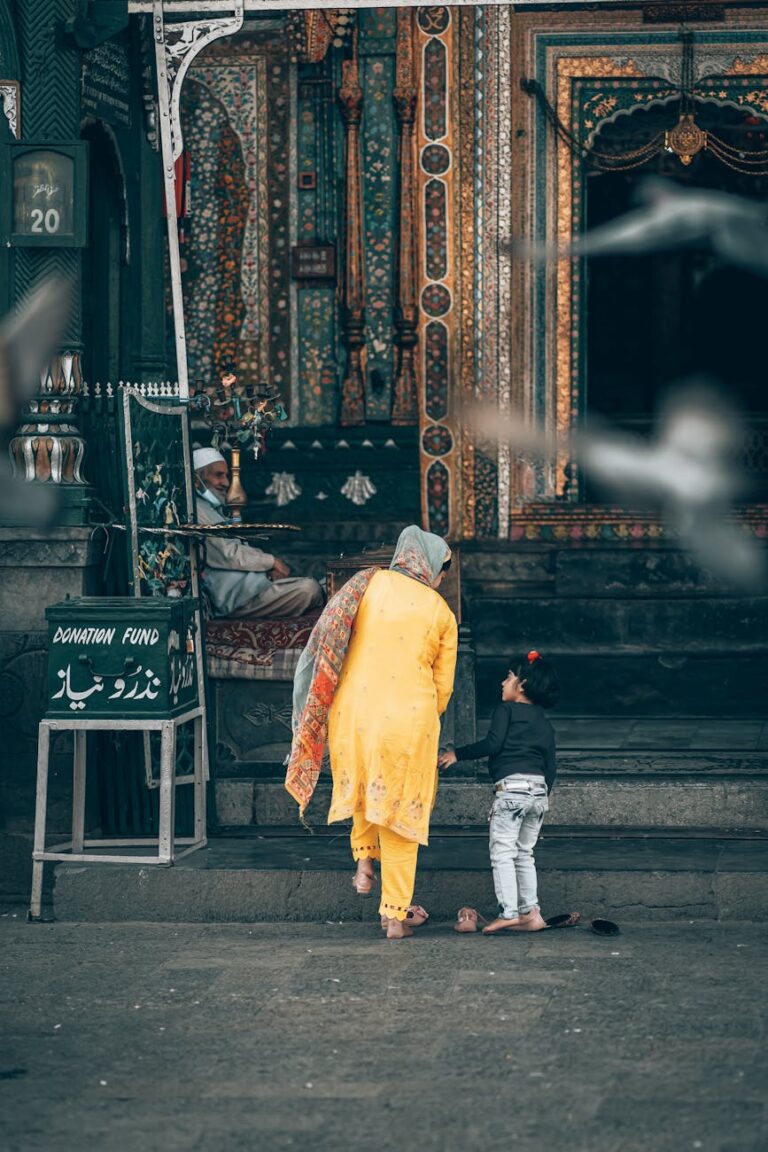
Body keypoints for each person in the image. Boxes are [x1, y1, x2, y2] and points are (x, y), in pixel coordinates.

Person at [285, 525, 458, 939]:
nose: (440, 580)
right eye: (442, 572)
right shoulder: (440, 612)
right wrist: (422, 719)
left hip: (354, 715)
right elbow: (444, 687)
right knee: (401, 813)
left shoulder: (367, 584)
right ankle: (394, 915)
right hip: (407, 720)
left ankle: (364, 862)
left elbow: (333, 638)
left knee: (365, 789)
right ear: (432, 567)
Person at [438, 650, 559, 934]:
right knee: (525, 853)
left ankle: (508, 912)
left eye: (508, 677)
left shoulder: (506, 710)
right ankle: (532, 913)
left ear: (523, 685)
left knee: (502, 852)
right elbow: (550, 766)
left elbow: (493, 744)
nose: (502, 683)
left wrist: (457, 754)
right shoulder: (545, 722)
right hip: (538, 794)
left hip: (512, 792)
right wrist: (541, 797)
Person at [192, 447, 323, 619]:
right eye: (218, 475)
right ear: (196, 481)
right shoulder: (197, 511)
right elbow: (227, 554)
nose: (226, 483)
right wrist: (271, 562)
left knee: (319, 586)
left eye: (226, 476)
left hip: (252, 587)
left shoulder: (213, 509)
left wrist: (267, 572)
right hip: (234, 598)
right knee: (309, 589)